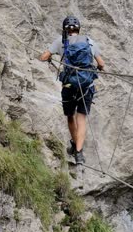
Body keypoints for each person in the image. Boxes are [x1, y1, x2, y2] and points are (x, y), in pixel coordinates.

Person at [38, 16, 105, 164]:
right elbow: (101, 63)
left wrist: (48, 57)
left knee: (70, 116)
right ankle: (79, 153)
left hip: (68, 86)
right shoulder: (88, 41)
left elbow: (43, 57)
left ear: (65, 30)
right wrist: (97, 68)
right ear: (78, 29)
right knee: (81, 118)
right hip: (86, 86)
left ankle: (75, 145)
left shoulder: (60, 41)